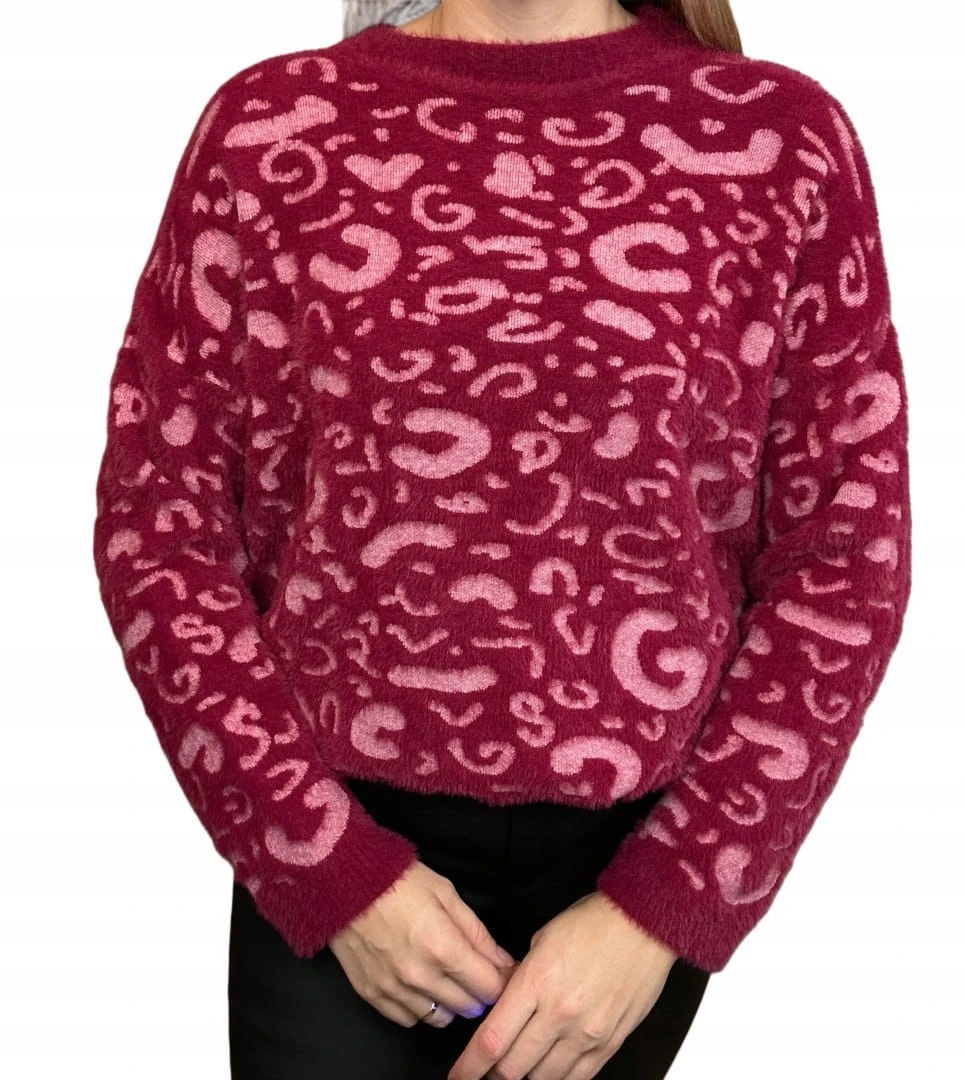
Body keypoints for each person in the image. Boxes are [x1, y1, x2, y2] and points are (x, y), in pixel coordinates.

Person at [91, 1, 912, 1077]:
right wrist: (325, 865)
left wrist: (667, 904)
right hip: (337, 845)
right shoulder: (274, 128)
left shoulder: (777, 143)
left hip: (631, 870)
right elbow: (159, 527)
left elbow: (845, 561)